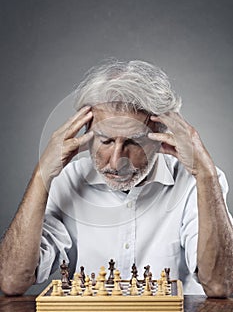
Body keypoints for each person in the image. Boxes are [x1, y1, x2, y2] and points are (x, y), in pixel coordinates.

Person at [0, 60, 232, 297]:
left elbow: (220, 285)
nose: (115, 161)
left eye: (133, 142)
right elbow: (12, 281)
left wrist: (206, 175)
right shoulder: (65, 180)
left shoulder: (198, 183)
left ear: (162, 136)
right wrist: (42, 175)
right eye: (105, 140)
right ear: (86, 131)